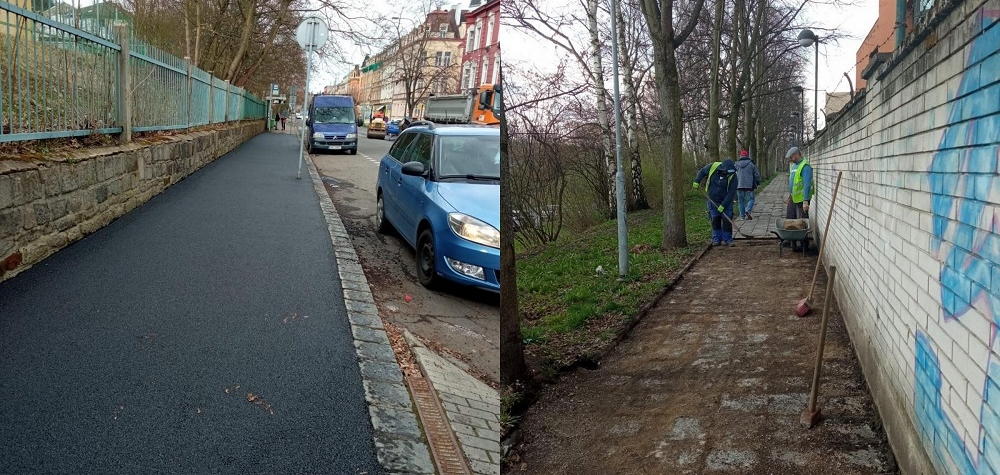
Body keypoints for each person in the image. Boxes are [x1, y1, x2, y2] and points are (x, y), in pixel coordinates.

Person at [693, 158, 739, 246]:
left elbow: (731, 192)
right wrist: (697, 181)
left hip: (726, 201)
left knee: (727, 220)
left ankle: (728, 239)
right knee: (715, 219)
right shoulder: (713, 167)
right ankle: (716, 239)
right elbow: (702, 172)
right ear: (723, 169)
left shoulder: (733, 176)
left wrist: (723, 205)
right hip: (712, 199)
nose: (729, 173)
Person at [785, 146, 814, 219]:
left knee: (801, 222)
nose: (790, 159)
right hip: (794, 198)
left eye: (791, 157)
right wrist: (790, 195)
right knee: (790, 219)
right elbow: (793, 182)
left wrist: (805, 201)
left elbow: (807, 184)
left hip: (801, 201)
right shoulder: (795, 165)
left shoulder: (805, 166)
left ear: (796, 155)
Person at [735, 149, 761, 220]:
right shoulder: (751, 164)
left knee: (740, 201)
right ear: (747, 156)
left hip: (739, 186)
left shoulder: (736, 164)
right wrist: (758, 182)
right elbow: (756, 175)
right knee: (751, 199)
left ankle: (742, 216)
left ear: (740, 156)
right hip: (749, 186)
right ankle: (748, 209)